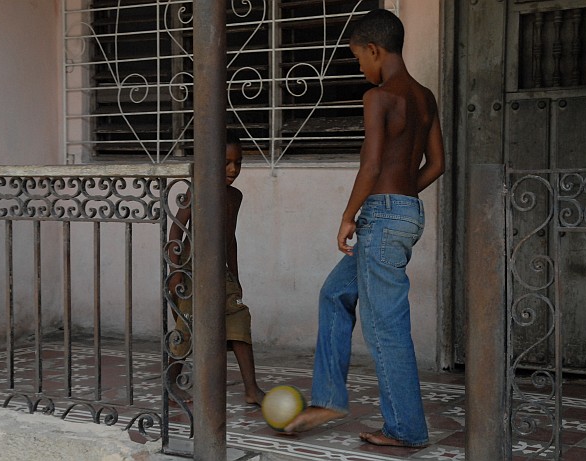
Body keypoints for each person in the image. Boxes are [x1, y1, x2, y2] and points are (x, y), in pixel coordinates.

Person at [284, 9, 445, 448]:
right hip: (407, 213)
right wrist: (401, 196)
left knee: (384, 326)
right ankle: (331, 399)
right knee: (335, 294)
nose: (360, 68)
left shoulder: (379, 97)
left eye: (358, 59)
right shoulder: (425, 96)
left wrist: (348, 215)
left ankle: (407, 429)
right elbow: (438, 164)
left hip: (381, 217)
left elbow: (372, 164)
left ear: (374, 49)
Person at [166, 131, 265, 406]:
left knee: (239, 320)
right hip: (191, 268)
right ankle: (172, 382)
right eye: (226, 162)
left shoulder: (235, 196)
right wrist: (176, 271)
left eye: (239, 162)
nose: (233, 169)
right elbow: (177, 227)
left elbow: (230, 238)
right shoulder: (198, 188)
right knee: (187, 327)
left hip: (221, 272)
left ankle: (251, 389)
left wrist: (236, 276)